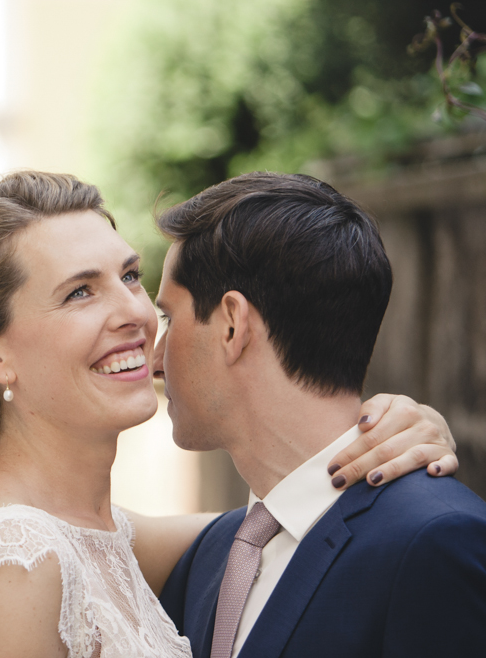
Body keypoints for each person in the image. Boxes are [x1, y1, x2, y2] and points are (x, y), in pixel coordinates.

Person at [0, 171, 458, 658]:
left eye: (131, 276)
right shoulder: (13, 559)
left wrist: (391, 429)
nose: (136, 313)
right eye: (79, 293)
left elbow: (289, 519)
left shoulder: (101, 534)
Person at [153, 172, 486, 657]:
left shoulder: (436, 542)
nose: (156, 359)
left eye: (169, 318)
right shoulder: (211, 556)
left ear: (231, 324)